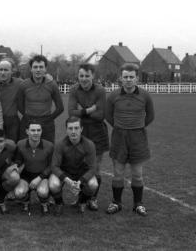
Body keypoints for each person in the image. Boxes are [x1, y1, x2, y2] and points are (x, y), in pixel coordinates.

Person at [105, 63, 155, 216]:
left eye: (131, 77)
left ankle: (138, 204)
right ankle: (116, 202)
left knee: (137, 174)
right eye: (125, 77)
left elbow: (150, 116)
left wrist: (137, 126)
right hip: (119, 137)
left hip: (138, 137)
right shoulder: (113, 96)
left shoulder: (145, 95)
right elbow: (108, 116)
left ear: (136, 78)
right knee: (118, 173)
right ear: (120, 78)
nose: (128, 80)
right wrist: (121, 126)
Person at [68, 63, 109, 210]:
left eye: (87, 75)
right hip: (80, 133)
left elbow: (100, 115)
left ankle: (93, 199)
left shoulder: (100, 90)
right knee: (81, 166)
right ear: (78, 76)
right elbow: (71, 113)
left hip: (97, 133)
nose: (84, 79)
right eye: (81, 76)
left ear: (93, 76)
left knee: (95, 168)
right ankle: (81, 199)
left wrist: (82, 111)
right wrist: (90, 110)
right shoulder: (74, 89)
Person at [49, 116, 98, 215]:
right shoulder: (60, 144)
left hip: (81, 173)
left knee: (94, 184)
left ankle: (82, 201)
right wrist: (67, 180)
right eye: (70, 128)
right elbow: (54, 166)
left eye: (76, 128)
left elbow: (93, 168)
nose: (73, 131)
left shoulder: (89, 144)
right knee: (53, 184)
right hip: (65, 172)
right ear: (66, 130)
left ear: (81, 129)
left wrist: (80, 181)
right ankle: (59, 203)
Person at [17, 55, 64, 143]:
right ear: (31, 69)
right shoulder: (23, 85)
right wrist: (27, 116)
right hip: (28, 122)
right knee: (24, 149)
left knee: (48, 149)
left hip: (46, 124)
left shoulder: (52, 85)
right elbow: (19, 105)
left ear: (45, 69)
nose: (38, 70)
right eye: (35, 67)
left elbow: (60, 107)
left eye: (41, 67)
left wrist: (49, 119)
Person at [13, 120, 54, 215]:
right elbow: (18, 160)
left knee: (43, 192)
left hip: (42, 175)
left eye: (38, 130)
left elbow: (52, 165)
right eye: (33, 130)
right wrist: (16, 166)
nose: (36, 133)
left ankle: (44, 203)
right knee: (19, 193)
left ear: (41, 131)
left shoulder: (49, 146)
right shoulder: (20, 144)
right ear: (27, 131)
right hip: (26, 175)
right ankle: (26, 202)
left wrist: (40, 177)